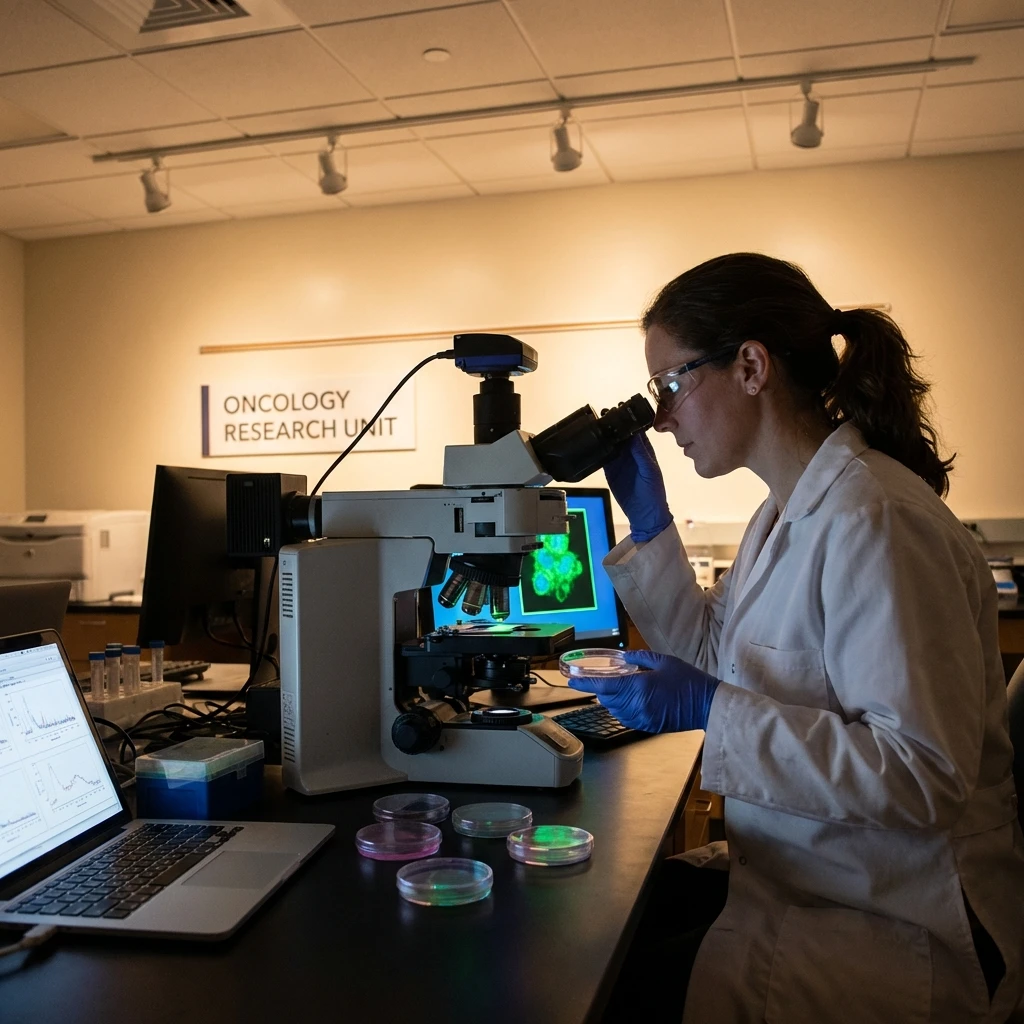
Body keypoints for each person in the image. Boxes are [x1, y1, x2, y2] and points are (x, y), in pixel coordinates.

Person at [572, 253, 1024, 1024]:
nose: (662, 416)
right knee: (604, 931)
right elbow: (721, 659)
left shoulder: (877, 522)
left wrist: (714, 709)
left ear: (751, 366)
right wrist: (651, 527)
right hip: (815, 873)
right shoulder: (784, 511)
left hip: (894, 915)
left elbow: (920, 777)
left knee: (602, 987)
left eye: (672, 384)